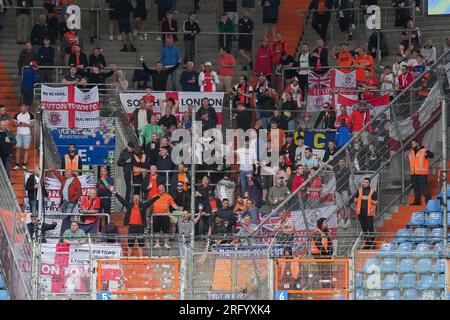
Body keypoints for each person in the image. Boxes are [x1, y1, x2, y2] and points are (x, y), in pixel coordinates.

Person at [110, 187, 160, 257]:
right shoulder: (129, 205)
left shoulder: (143, 205)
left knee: (141, 244)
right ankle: (129, 257)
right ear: (133, 199)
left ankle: (141, 257)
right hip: (132, 227)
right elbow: (121, 200)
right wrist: (115, 193)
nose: (136, 199)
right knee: (130, 243)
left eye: (137, 197)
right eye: (135, 197)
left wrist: (158, 196)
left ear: (139, 199)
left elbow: (151, 201)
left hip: (140, 227)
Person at [151, 184, 179, 249]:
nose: (161, 189)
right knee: (156, 230)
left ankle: (166, 243)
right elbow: (149, 204)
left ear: (164, 189)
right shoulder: (154, 196)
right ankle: (157, 243)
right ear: (158, 189)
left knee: (166, 231)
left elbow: (173, 204)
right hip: (156, 215)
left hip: (165, 215)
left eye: (162, 187)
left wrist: (178, 208)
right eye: (159, 187)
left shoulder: (168, 196)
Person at [353, 177, 378, 249]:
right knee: (364, 228)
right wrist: (359, 198)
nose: (365, 183)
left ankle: (373, 244)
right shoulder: (359, 190)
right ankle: (367, 244)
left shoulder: (373, 191)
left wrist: (369, 199)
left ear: (369, 183)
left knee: (370, 228)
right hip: (360, 212)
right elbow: (355, 200)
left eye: (366, 182)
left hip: (369, 213)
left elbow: (376, 202)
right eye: (364, 182)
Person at [409, 139, 434, 205]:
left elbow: (432, 155)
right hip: (413, 173)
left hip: (422, 173)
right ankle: (417, 202)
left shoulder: (424, 150)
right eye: (411, 144)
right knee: (416, 188)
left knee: (424, 187)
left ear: (417, 143)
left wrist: (428, 154)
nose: (412, 145)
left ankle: (429, 201)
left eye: (413, 144)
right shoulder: (411, 152)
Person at [13, 104, 34, 171]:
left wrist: (26, 124)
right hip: (19, 133)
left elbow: (32, 124)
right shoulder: (17, 115)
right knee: (18, 148)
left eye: (23, 109)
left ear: (25, 109)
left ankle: (24, 164)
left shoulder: (30, 115)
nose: (22, 110)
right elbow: (14, 124)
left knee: (26, 149)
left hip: (27, 134)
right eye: (21, 109)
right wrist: (19, 124)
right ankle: (17, 164)